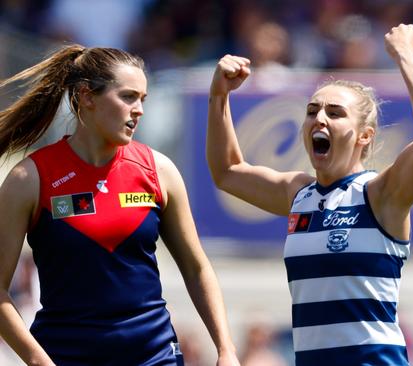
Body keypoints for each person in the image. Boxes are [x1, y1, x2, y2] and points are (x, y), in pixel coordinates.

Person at [206, 24, 413, 365]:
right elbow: (227, 171)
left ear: (365, 136)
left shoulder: (380, 195)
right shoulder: (300, 194)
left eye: (335, 113)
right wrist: (219, 95)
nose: (319, 118)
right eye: (312, 111)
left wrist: (406, 55)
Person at [0, 45, 240, 366]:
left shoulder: (159, 171)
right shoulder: (29, 178)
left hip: (154, 356)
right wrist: (40, 362)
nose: (139, 109)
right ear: (86, 96)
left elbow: (197, 269)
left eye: (143, 99)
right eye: (128, 97)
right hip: (66, 357)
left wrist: (226, 350)